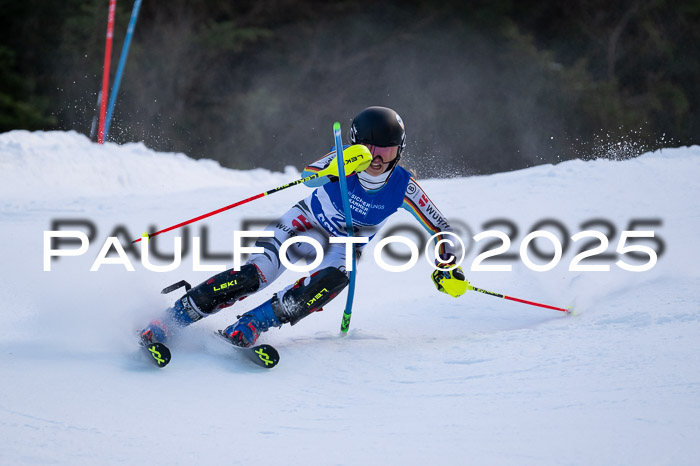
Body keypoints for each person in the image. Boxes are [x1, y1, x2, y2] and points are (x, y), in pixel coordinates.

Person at [139, 106, 468, 349]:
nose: (378, 158)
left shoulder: (404, 187)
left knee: (334, 279)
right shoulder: (347, 158)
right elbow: (310, 175)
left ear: (399, 150)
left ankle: (252, 325)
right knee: (255, 275)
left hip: (343, 245)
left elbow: (442, 229)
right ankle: (172, 319)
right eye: (371, 148)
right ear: (358, 145)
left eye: (387, 149)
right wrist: (340, 166)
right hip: (304, 224)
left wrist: (447, 264)